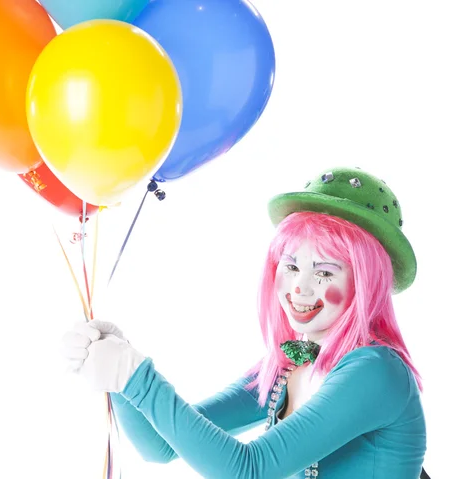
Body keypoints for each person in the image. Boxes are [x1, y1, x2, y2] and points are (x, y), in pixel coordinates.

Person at [61, 166, 428, 478]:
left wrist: (136, 376)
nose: (300, 287)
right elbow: (160, 447)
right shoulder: (292, 361)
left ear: (366, 283)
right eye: (291, 266)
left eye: (325, 271)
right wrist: (119, 380)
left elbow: (248, 470)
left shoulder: (375, 370)